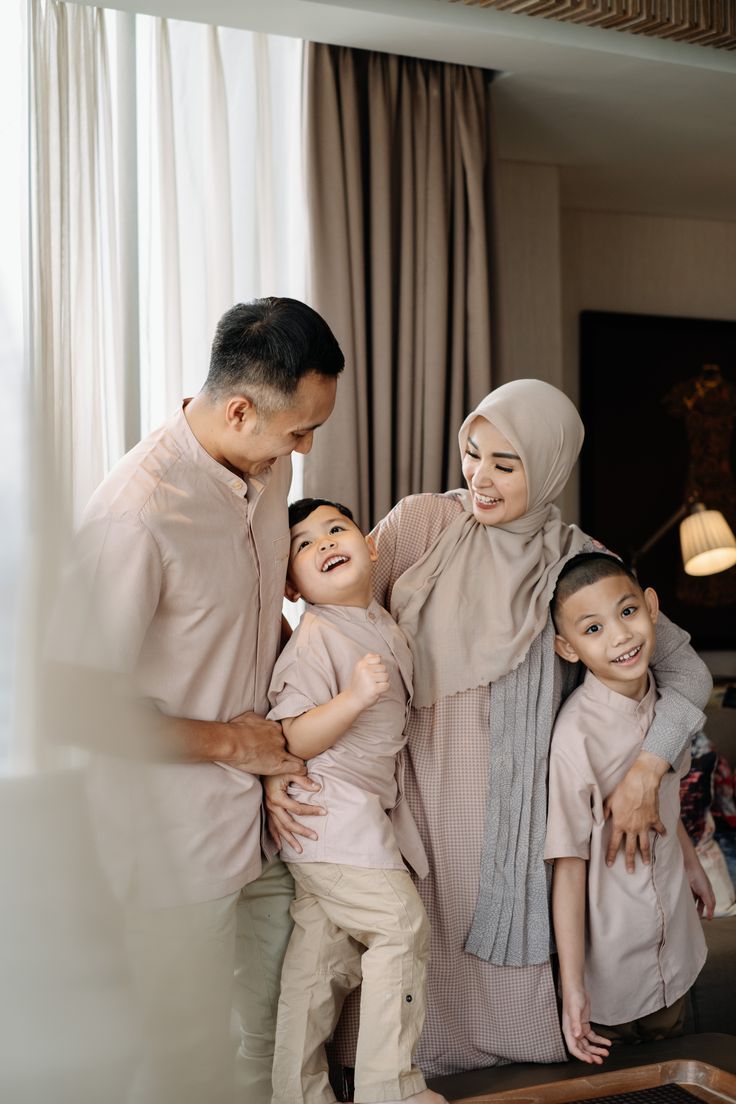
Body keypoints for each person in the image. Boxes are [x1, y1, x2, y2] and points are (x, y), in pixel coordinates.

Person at [267, 379, 712, 1078]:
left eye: (507, 464)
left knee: (522, 1062)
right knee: (399, 957)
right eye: (473, 453)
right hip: (408, 801)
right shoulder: (418, 527)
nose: (479, 477)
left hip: (514, 827)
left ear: (549, 466)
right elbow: (326, 623)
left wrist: (647, 770)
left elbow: (686, 672)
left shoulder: (577, 560)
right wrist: (281, 761)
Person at [46, 299, 343, 1104]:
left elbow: (246, 625)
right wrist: (231, 743)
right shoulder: (134, 516)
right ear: (241, 408)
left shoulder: (266, 462)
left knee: (283, 1040)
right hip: (170, 847)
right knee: (185, 1068)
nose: (307, 450)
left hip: (268, 825)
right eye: (299, 431)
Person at [268, 498, 445, 1104]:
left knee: (319, 964)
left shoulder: (377, 620)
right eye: (304, 543)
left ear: (371, 546)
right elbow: (292, 735)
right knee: (400, 925)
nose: (323, 543)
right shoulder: (317, 637)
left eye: (336, 529)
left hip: (342, 819)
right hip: (331, 813)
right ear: (293, 584)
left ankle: (296, 1092)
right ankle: (387, 1088)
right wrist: (352, 698)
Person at [546, 551, 712, 1064]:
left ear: (652, 607)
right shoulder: (577, 736)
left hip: (676, 951)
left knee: (679, 1074)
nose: (620, 636)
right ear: (567, 648)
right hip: (611, 981)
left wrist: (690, 861)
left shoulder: (669, 704)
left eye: (626, 613)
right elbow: (568, 867)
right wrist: (574, 988)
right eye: (592, 628)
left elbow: (665, 791)